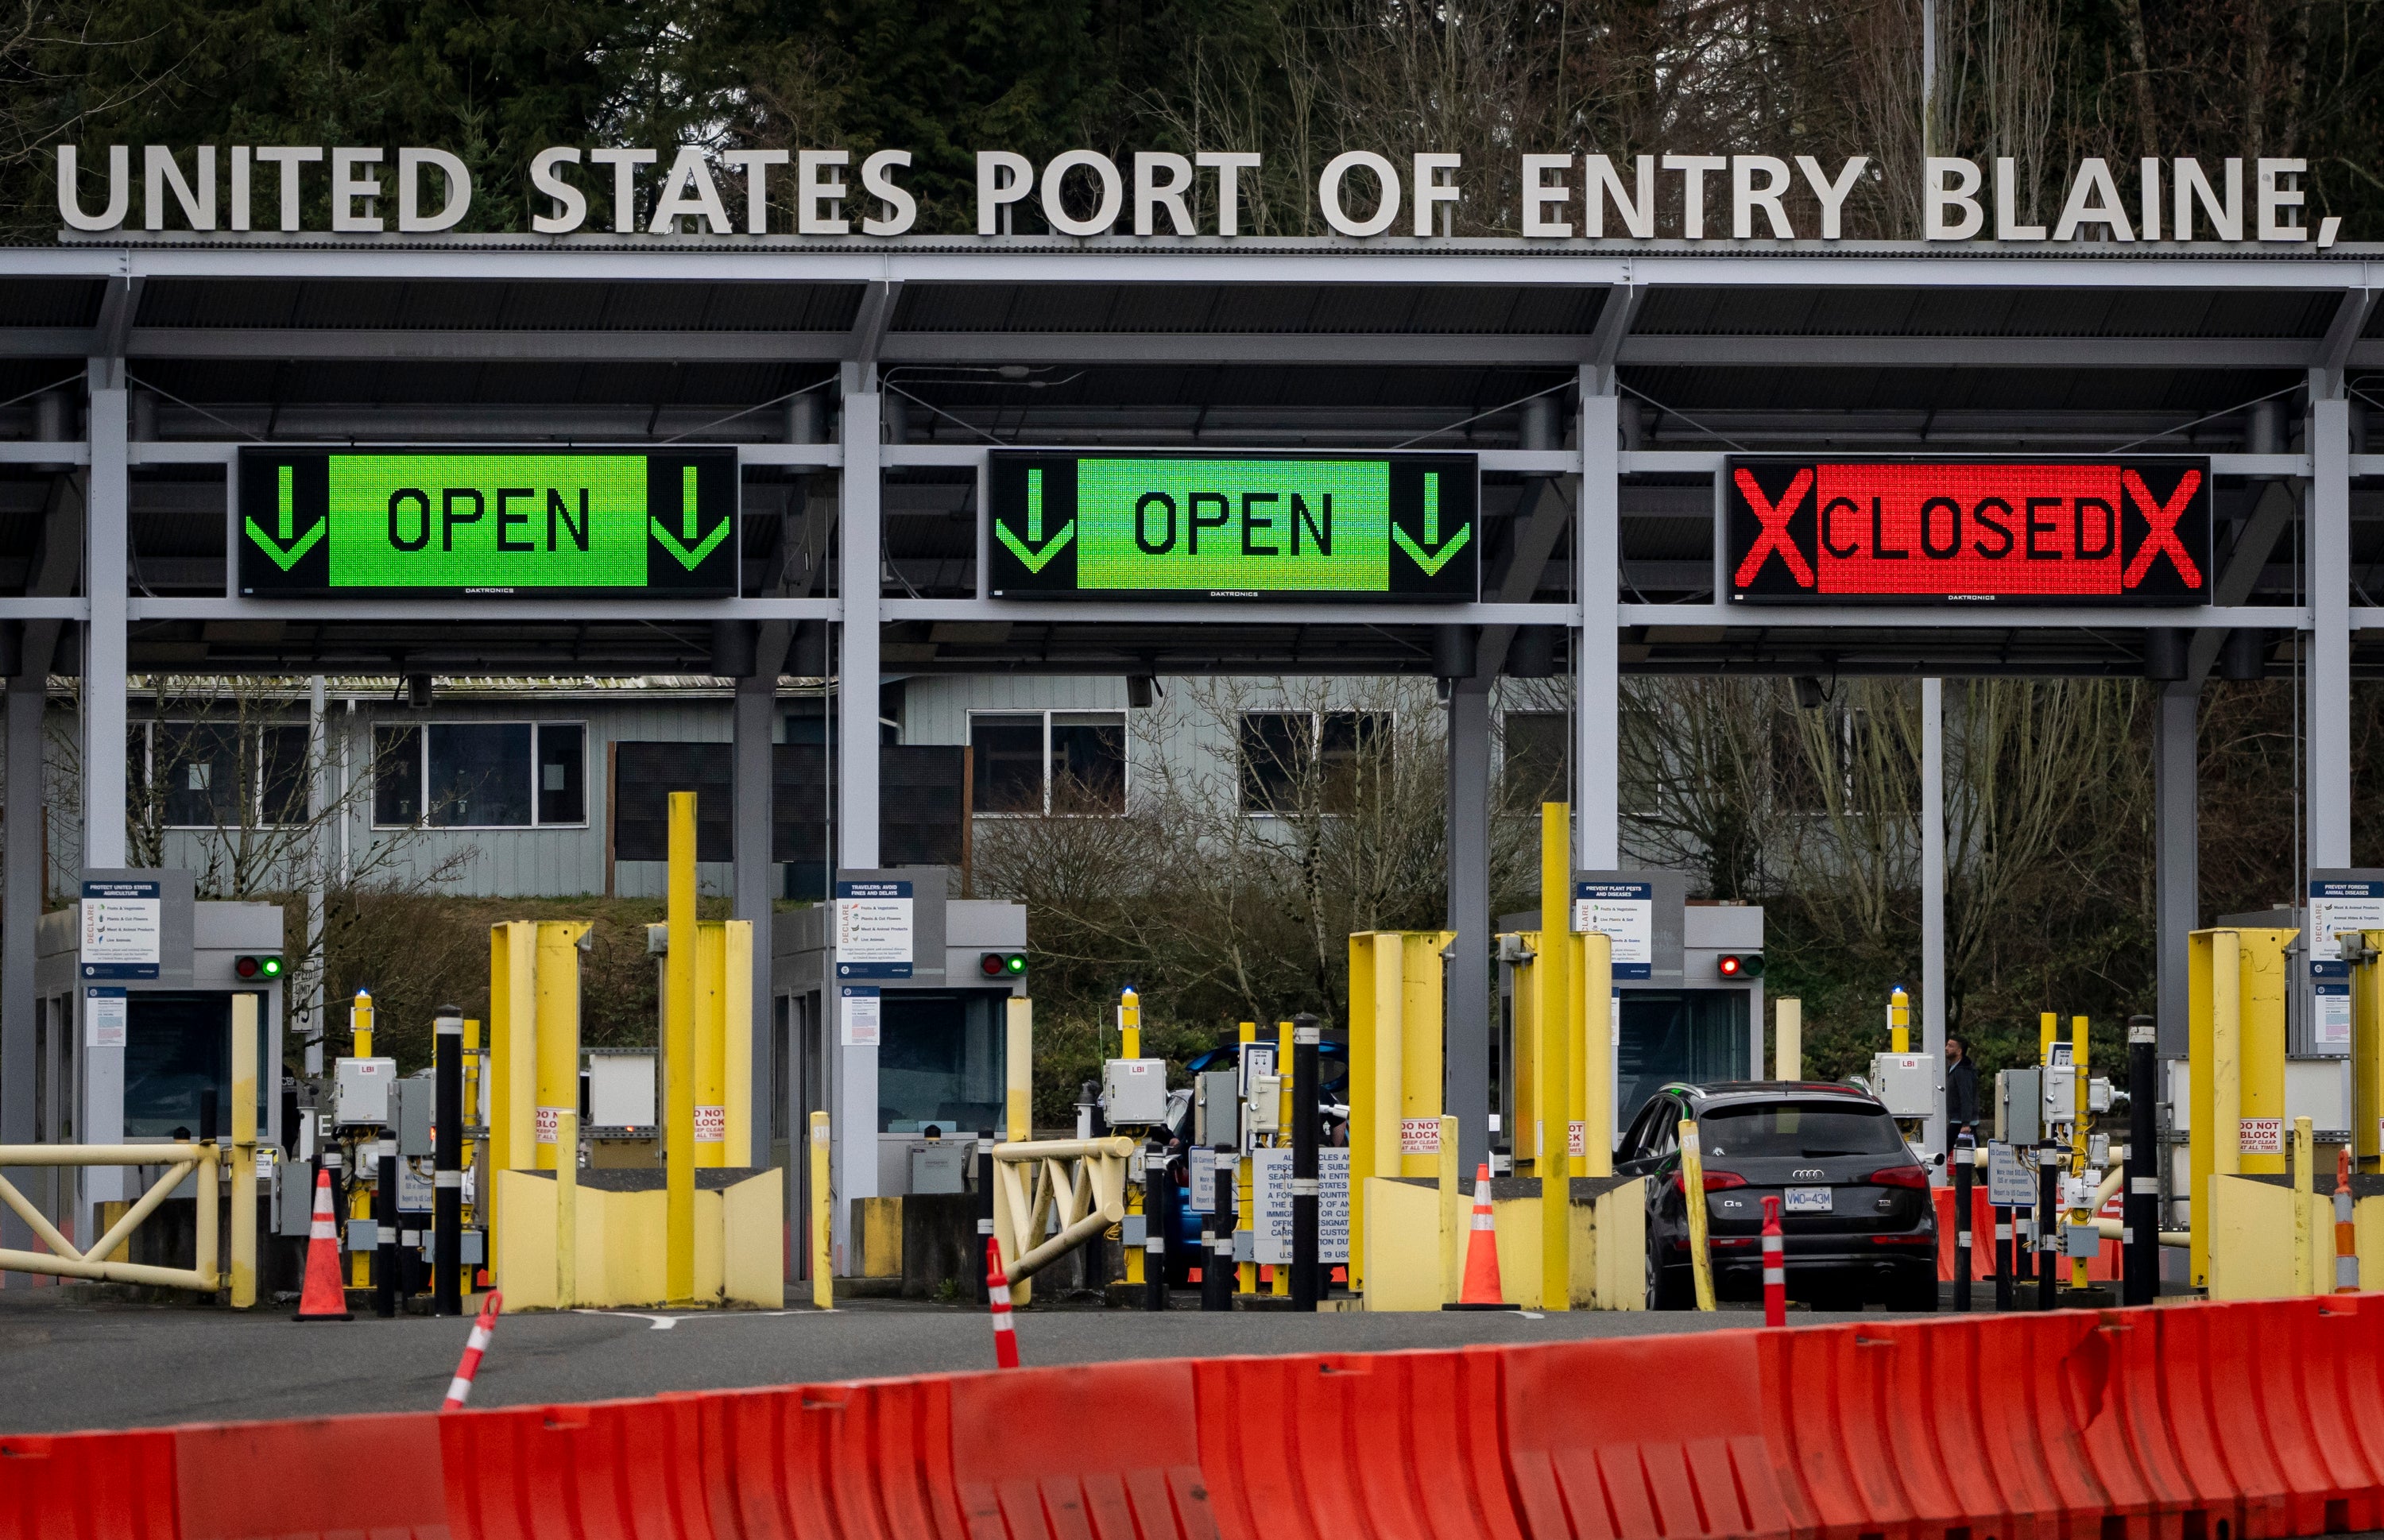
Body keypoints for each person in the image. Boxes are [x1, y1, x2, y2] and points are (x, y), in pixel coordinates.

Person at [1945, 1035, 1980, 1138]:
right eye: (1947, 1045)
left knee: (1945, 1150)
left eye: (1950, 1046)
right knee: (1971, 1152)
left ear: (1959, 1051)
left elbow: (1966, 1096)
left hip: (1960, 1122)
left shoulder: (1963, 1071)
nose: (1946, 1048)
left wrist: (1966, 1123)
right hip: (1957, 1120)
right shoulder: (1954, 1069)